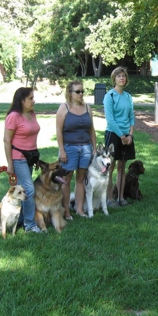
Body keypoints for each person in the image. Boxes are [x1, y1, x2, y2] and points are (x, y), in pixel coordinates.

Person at [4, 87, 42, 233]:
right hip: (18, 158)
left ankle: (16, 220)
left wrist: (36, 157)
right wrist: (10, 164)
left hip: (30, 157)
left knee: (20, 191)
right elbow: (7, 141)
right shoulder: (14, 116)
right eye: (31, 98)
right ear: (22, 100)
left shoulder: (32, 114)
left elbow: (33, 137)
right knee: (29, 190)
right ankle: (30, 224)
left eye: (33, 97)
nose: (34, 101)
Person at [56, 81, 96, 219]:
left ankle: (79, 209)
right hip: (69, 148)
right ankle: (66, 211)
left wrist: (94, 148)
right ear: (70, 93)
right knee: (66, 180)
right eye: (78, 92)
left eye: (82, 91)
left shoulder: (87, 108)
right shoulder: (64, 108)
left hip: (85, 148)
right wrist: (62, 150)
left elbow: (91, 130)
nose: (81, 94)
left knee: (81, 179)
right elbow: (59, 131)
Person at [103, 66, 135, 207]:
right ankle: (109, 198)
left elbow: (132, 117)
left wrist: (130, 135)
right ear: (114, 79)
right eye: (119, 76)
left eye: (123, 76)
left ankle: (120, 198)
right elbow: (110, 119)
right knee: (111, 167)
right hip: (113, 134)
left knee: (122, 167)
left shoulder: (128, 96)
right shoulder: (109, 96)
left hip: (127, 135)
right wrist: (121, 136)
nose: (122, 78)